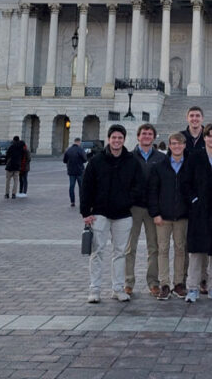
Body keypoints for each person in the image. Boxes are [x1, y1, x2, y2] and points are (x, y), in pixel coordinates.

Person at [81, 124, 146, 303]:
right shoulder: (96, 160)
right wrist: (85, 212)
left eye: (120, 138)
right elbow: (86, 187)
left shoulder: (132, 161)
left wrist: (127, 200)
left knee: (120, 253)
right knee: (97, 251)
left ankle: (117, 288)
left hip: (123, 213)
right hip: (100, 212)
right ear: (108, 139)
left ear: (124, 140)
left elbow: (138, 186)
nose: (116, 141)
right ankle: (94, 289)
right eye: (113, 137)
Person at [181, 123, 212, 302]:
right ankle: (192, 287)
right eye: (210, 135)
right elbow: (186, 182)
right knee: (195, 250)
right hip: (198, 211)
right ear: (204, 137)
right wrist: (194, 200)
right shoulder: (194, 157)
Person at [126, 123, 166, 298]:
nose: (147, 136)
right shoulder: (129, 157)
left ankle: (153, 282)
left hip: (152, 208)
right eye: (144, 134)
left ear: (154, 137)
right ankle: (128, 282)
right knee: (129, 248)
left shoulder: (161, 158)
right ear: (138, 136)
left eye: (150, 134)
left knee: (154, 247)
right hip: (133, 207)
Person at [148, 132, 189, 300]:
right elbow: (153, 192)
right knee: (162, 250)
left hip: (182, 216)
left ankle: (178, 283)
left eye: (180, 143)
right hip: (163, 217)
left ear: (184, 145)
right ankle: (164, 284)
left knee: (181, 250)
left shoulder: (189, 166)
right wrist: (155, 213)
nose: (177, 146)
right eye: (173, 143)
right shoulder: (159, 166)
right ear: (169, 146)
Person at [64, 137, 87, 208]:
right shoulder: (80, 150)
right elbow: (85, 159)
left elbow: (64, 160)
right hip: (80, 171)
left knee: (71, 186)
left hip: (71, 171)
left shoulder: (68, 150)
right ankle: (82, 201)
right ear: (79, 142)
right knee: (81, 187)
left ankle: (72, 201)